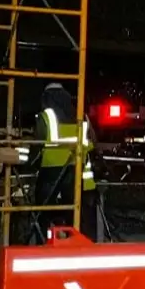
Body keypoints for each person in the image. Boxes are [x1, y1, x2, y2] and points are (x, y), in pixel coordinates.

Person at [27, 82, 101, 243]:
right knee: (74, 215)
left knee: (44, 212)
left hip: (51, 173)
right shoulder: (80, 114)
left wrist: (27, 162)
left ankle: (46, 244)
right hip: (75, 173)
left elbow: (36, 146)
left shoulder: (46, 116)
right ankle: (75, 245)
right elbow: (92, 143)